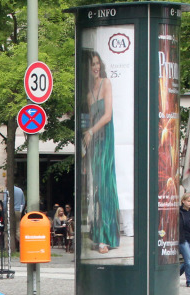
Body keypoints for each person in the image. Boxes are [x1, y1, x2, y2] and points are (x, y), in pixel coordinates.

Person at [82, 49, 120, 254]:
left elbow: (107, 116)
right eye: (92, 64)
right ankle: (99, 236)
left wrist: (90, 131)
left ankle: (106, 238)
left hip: (104, 139)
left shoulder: (106, 83)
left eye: (97, 63)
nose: (95, 67)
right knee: (97, 188)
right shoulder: (89, 94)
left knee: (105, 185)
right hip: (95, 142)